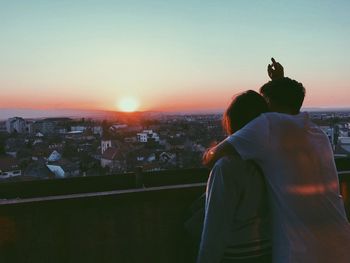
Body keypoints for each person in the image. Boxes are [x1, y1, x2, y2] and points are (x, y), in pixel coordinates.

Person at [203, 58, 350, 263]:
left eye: (265, 102)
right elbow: (288, 108)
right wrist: (280, 82)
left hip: (303, 252)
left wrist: (209, 153)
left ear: (270, 104)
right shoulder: (315, 133)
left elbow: (214, 157)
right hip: (340, 244)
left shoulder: (267, 124)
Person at [197, 90, 272, 263]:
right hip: (270, 248)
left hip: (238, 252)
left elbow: (215, 228)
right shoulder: (274, 158)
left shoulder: (227, 167)